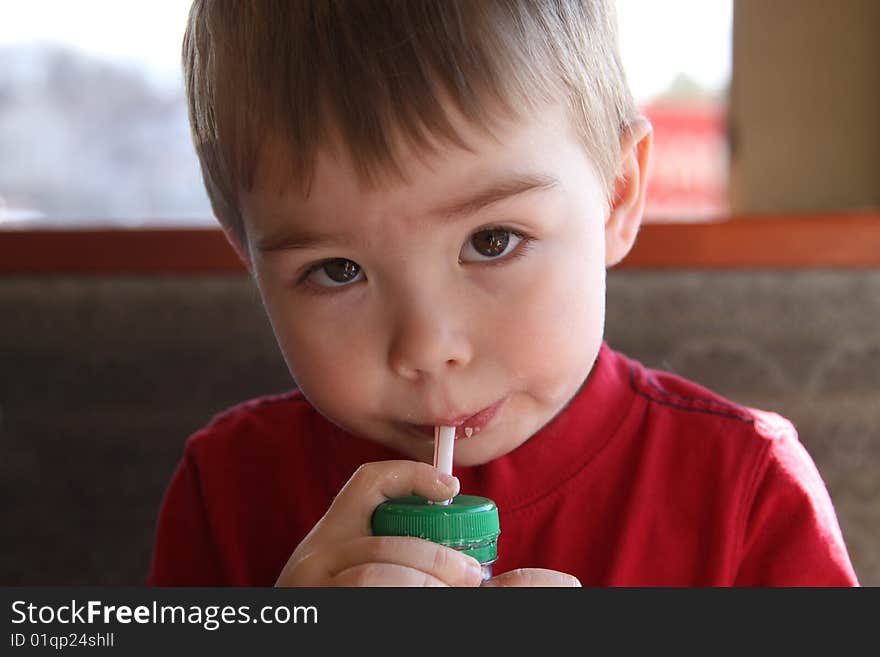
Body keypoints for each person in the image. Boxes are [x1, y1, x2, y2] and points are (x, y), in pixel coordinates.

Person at [147, 0, 858, 586]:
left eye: (491, 240)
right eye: (338, 270)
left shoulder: (746, 489)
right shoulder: (228, 490)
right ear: (248, 260)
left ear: (616, 197)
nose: (428, 348)